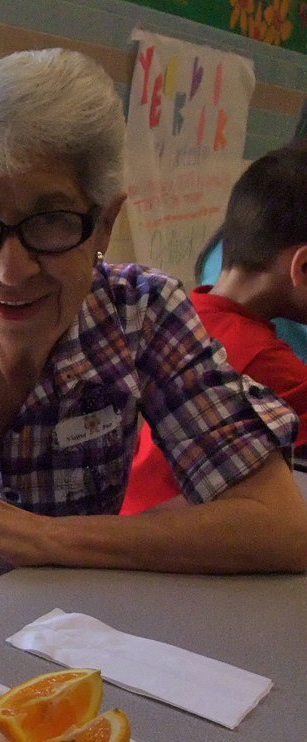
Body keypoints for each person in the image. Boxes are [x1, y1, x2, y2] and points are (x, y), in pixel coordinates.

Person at [0, 48, 307, 631]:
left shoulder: (141, 316)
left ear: (104, 223)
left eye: (50, 221)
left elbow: (279, 526)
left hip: (71, 634)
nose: (11, 269)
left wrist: (42, 536)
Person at [123, 141, 307, 512]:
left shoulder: (182, 318)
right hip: (170, 556)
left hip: (128, 526)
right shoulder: (271, 367)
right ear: (302, 267)